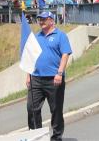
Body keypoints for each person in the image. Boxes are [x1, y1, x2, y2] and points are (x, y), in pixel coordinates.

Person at [26, 11, 72, 141]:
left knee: (56, 110)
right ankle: (36, 136)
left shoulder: (61, 36)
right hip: (36, 79)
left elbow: (65, 54)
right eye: (39, 19)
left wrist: (59, 73)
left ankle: (56, 137)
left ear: (51, 20)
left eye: (44, 19)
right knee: (32, 109)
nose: (41, 21)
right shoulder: (36, 37)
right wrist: (28, 75)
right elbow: (30, 57)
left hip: (54, 79)